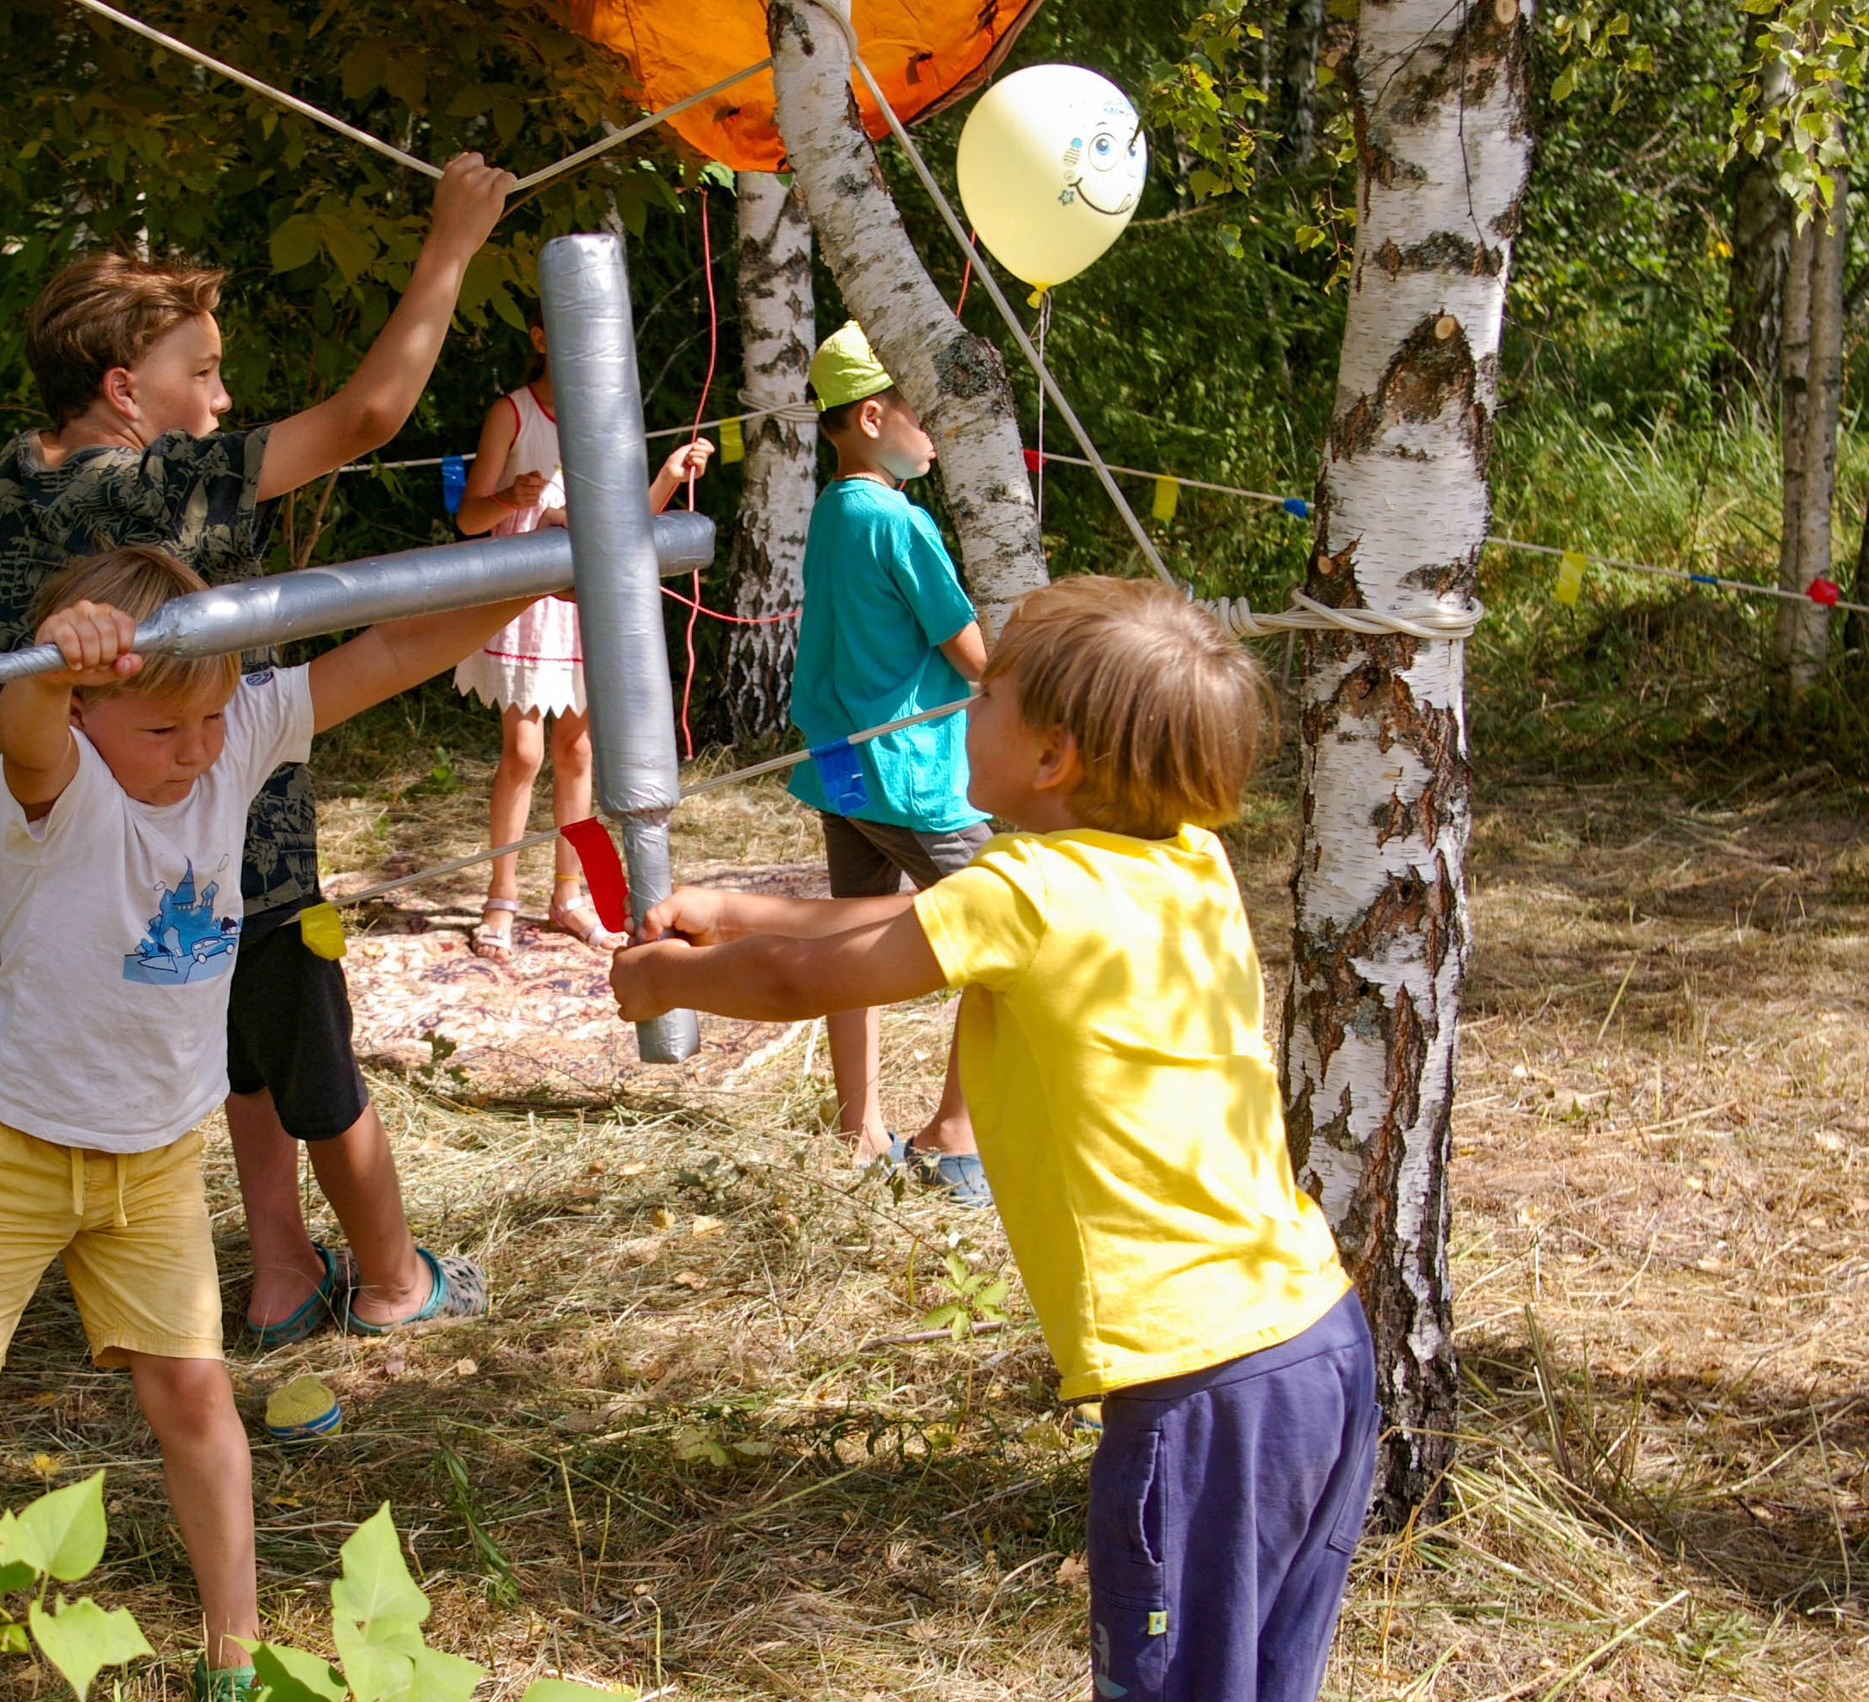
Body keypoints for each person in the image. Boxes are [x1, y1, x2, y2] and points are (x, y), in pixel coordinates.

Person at [609, 576, 1377, 1702]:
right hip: (1315, 1341)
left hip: (1199, 1388)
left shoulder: (1028, 888)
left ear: (1052, 756)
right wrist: (738, 910)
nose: (960, 711)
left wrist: (668, 981)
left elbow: (804, 979)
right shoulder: (1186, 863)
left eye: (985, 698)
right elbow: (903, 924)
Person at [0, 548, 528, 1702]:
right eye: (163, 730)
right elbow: (23, 728)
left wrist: (542, 576)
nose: (199, 748)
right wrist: (54, 663)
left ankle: (233, 1660)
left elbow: (392, 648)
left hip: (154, 1159)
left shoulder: (232, 738)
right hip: (6, 1145)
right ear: (87, 705)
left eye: (211, 718)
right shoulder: (56, 785)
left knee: (195, 1396)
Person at [0, 154, 515, 1347]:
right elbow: (370, 416)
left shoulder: (5, 493)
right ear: (123, 387)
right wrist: (452, 242)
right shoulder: (177, 480)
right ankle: (391, 1279)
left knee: (231, 1050)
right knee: (314, 1059)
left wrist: (0, 844)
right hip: (236, 838)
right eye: (200, 372)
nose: (221, 398)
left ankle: (278, 1269)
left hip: (81, 863)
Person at [786, 322, 991, 1204]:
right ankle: (953, 1138)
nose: (935, 433)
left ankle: (858, 1130)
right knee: (1006, 934)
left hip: (842, 766)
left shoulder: (832, 511)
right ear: (873, 417)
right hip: (910, 778)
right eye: (924, 414)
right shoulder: (898, 520)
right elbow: (969, 650)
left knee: (852, 939)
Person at [450, 314, 710, 959]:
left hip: (583, 602)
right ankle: (501, 896)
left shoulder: (603, 417)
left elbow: (622, 524)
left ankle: (572, 895)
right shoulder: (512, 412)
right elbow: (469, 518)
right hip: (521, 600)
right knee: (523, 754)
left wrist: (669, 476)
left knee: (579, 751)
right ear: (540, 338)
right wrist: (510, 496)